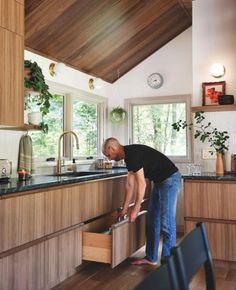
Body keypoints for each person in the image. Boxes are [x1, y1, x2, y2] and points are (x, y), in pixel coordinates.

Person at [102, 137, 182, 265]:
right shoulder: (128, 157)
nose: (109, 158)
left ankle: (169, 264)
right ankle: (151, 258)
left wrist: (135, 209)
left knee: (167, 222)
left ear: (112, 148)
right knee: (152, 219)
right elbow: (130, 185)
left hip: (171, 179)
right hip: (160, 181)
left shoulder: (132, 154)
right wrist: (124, 210)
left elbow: (142, 184)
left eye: (108, 155)